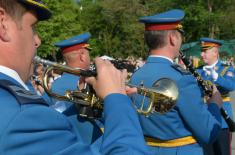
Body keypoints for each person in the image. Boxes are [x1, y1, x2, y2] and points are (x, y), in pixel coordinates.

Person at [0, 0, 149, 154]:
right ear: (2, 22)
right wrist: (118, 100)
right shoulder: (24, 117)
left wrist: (85, 105)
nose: (38, 41)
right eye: (33, 27)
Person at [130, 9, 223, 155]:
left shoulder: (135, 76)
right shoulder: (181, 79)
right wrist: (214, 105)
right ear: (173, 38)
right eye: (180, 35)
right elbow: (208, 133)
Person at [50, 33, 103, 144]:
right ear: (82, 56)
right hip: (91, 144)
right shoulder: (93, 83)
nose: (90, 58)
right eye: (88, 54)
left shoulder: (54, 85)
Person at [197, 37, 235, 155]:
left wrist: (217, 77)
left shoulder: (225, 69)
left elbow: (231, 86)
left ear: (215, 52)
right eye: (201, 51)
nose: (201, 54)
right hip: (204, 119)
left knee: (222, 152)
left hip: (222, 120)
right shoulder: (198, 71)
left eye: (205, 51)